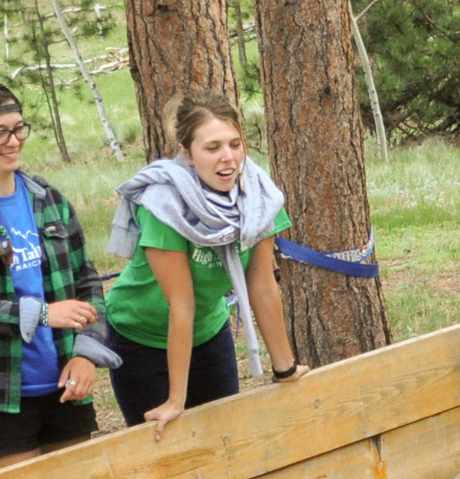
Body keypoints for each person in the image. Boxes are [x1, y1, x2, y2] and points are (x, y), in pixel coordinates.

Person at [0, 79, 115, 470]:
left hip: (65, 386)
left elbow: (88, 283)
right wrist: (40, 314)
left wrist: (86, 355)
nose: (13, 141)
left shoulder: (50, 200)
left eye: (18, 129)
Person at [103, 92, 308, 436]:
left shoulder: (259, 197)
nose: (228, 157)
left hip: (207, 329)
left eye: (235, 144)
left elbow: (261, 283)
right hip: (140, 334)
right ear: (186, 153)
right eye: (212, 148)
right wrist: (176, 400)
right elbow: (180, 303)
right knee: (165, 448)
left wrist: (284, 368)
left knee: (224, 440)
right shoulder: (165, 204)